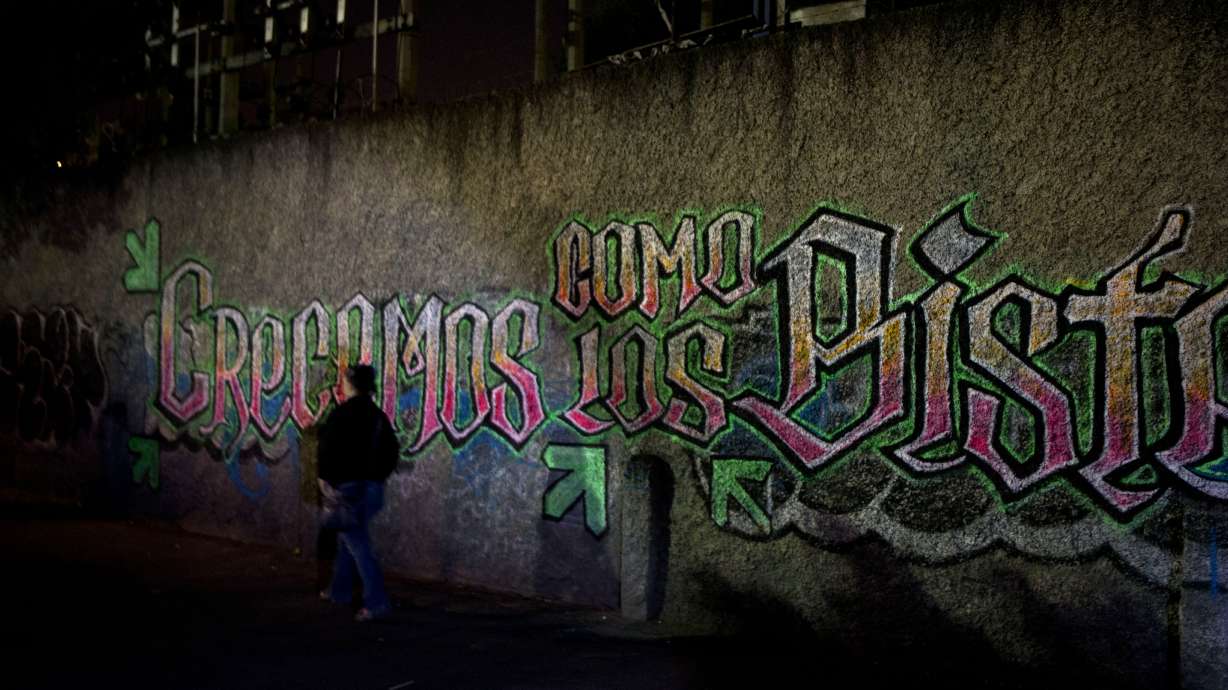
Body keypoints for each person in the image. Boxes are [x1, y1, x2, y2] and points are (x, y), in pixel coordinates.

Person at [317, 364, 399, 622]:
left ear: (350, 384)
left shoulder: (342, 415)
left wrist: (324, 480)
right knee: (348, 538)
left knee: (357, 544)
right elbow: (392, 451)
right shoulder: (377, 416)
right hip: (372, 489)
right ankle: (338, 591)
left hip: (347, 489)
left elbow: (327, 450)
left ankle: (377, 602)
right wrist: (377, 477)